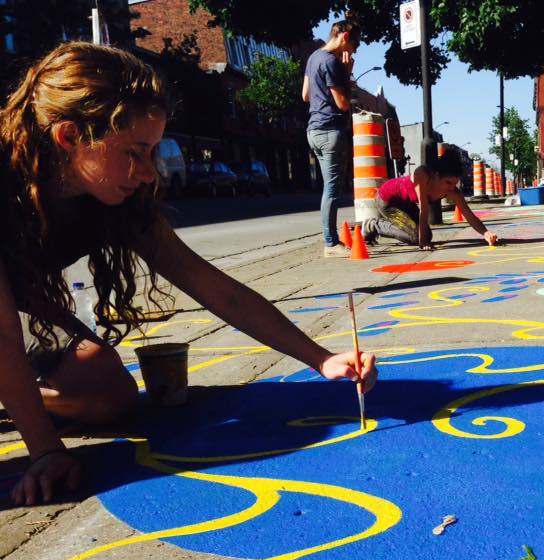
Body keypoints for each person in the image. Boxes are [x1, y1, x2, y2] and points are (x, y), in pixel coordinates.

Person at [0, 42, 377, 506]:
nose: (148, 172)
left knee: (110, 391)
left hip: (16, 302)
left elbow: (211, 285)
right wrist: (43, 452)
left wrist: (319, 358)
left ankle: (12, 397)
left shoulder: (117, 198)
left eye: (154, 152)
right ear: (70, 137)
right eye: (135, 152)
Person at [302, 17, 360, 258]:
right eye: (354, 46)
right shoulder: (332, 63)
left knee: (330, 188)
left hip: (313, 131)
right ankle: (331, 243)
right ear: (345, 37)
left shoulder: (313, 58)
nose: (353, 52)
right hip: (330, 130)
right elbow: (343, 103)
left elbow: (305, 95)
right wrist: (347, 74)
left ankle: (331, 240)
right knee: (333, 189)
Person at [363, 154, 499, 251]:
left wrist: (485, 233)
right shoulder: (422, 174)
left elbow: (469, 215)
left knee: (427, 235)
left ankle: (387, 228)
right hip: (388, 200)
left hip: (407, 203)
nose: (451, 187)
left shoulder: (452, 191)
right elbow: (423, 209)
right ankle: (374, 225)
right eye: (448, 182)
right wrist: (422, 243)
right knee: (417, 238)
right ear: (437, 175)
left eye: (455, 183)